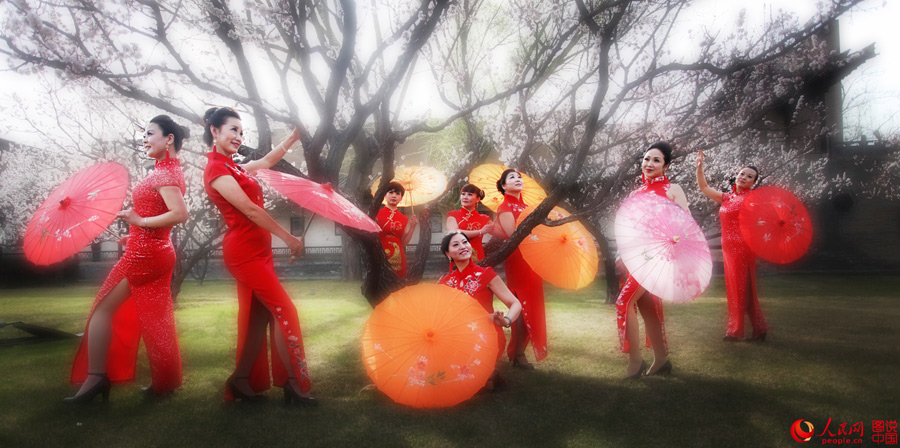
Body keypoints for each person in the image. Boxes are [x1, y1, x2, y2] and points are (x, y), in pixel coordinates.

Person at [66, 115, 189, 403]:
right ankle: (165, 382)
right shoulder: (166, 171)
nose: (144, 139)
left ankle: (96, 379)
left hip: (144, 255)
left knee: (100, 312)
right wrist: (134, 233)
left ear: (169, 139)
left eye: (150, 133)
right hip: (155, 250)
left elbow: (180, 214)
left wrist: (140, 221)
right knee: (158, 319)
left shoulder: (164, 175)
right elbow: (164, 215)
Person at [202, 107, 316, 405]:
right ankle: (294, 385)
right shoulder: (216, 170)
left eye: (241, 131)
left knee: (258, 318)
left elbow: (266, 161)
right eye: (233, 130)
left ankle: (240, 381)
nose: (239, 136)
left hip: (258, 251)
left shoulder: (235, 167)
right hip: (243, 253)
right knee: (284, 310)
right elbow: (251, 211)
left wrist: (292, 138)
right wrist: (288, 238)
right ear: (215, 131)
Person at [615, 141, 689, 378]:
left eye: (656, 160)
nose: (649, 164)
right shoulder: (637, 193)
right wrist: (621, 253)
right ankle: (661, 360)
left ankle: (635, 362)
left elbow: (686, 224)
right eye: (646, 159)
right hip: (635, 255)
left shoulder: (672, 189)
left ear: (666, 165)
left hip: (655, 256)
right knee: (647, 307)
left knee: (624, 302)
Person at [696, 150, 768, 342]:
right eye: (742, 174)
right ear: (737, 175)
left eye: (749, 176)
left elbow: (762, 220)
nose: (744, 177)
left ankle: (735, 330)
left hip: (743, 248)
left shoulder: (752, 199)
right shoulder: (727, 198)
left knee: (738, 288)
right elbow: (703, 187)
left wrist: (759, 223)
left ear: (754, 182)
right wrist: (700, 168)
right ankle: (760, 328)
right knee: (744, 288)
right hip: (728, 249)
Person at [437, 231, 522, 391]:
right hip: (456, 337)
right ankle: (485, 374)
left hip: (487, 336)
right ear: (448, 254)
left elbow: (515, 303)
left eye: (465, 242)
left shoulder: (485, 274)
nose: (463, 246)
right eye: (456, 245)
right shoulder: (445, 282)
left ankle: (486, 373)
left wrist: (506, 321)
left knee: (476, 386)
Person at [495, 169, 547, 369]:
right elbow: (513, 235)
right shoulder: (505, 207)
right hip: (519, 260)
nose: (517, 179)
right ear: (504, 186)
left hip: (534, 259)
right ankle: (516, 352)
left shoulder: (527, 206)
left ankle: (519, 351)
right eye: (511, 178)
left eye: (519, 177)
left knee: (532, 304)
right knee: (521, 303)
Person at [376, 181, 418, 278]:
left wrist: (412, 227)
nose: (394, 195)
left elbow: (404, 242)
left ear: (401, 198)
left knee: (398, 284)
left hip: (398, 256)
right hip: (380, 253)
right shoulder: (377, 214)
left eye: (397, 193)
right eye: (390, 192)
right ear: (385, 196)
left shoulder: (403, 218)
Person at [445, 184, 494, 263]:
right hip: (459, 257)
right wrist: (480, 231)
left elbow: (501, 232)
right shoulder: (453, 215)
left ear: (478, 199)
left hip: (478, 257)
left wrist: (501, 215)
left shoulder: (484, 218)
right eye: (463, 194)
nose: (465, 197)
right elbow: (454, 233)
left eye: (470, 194)